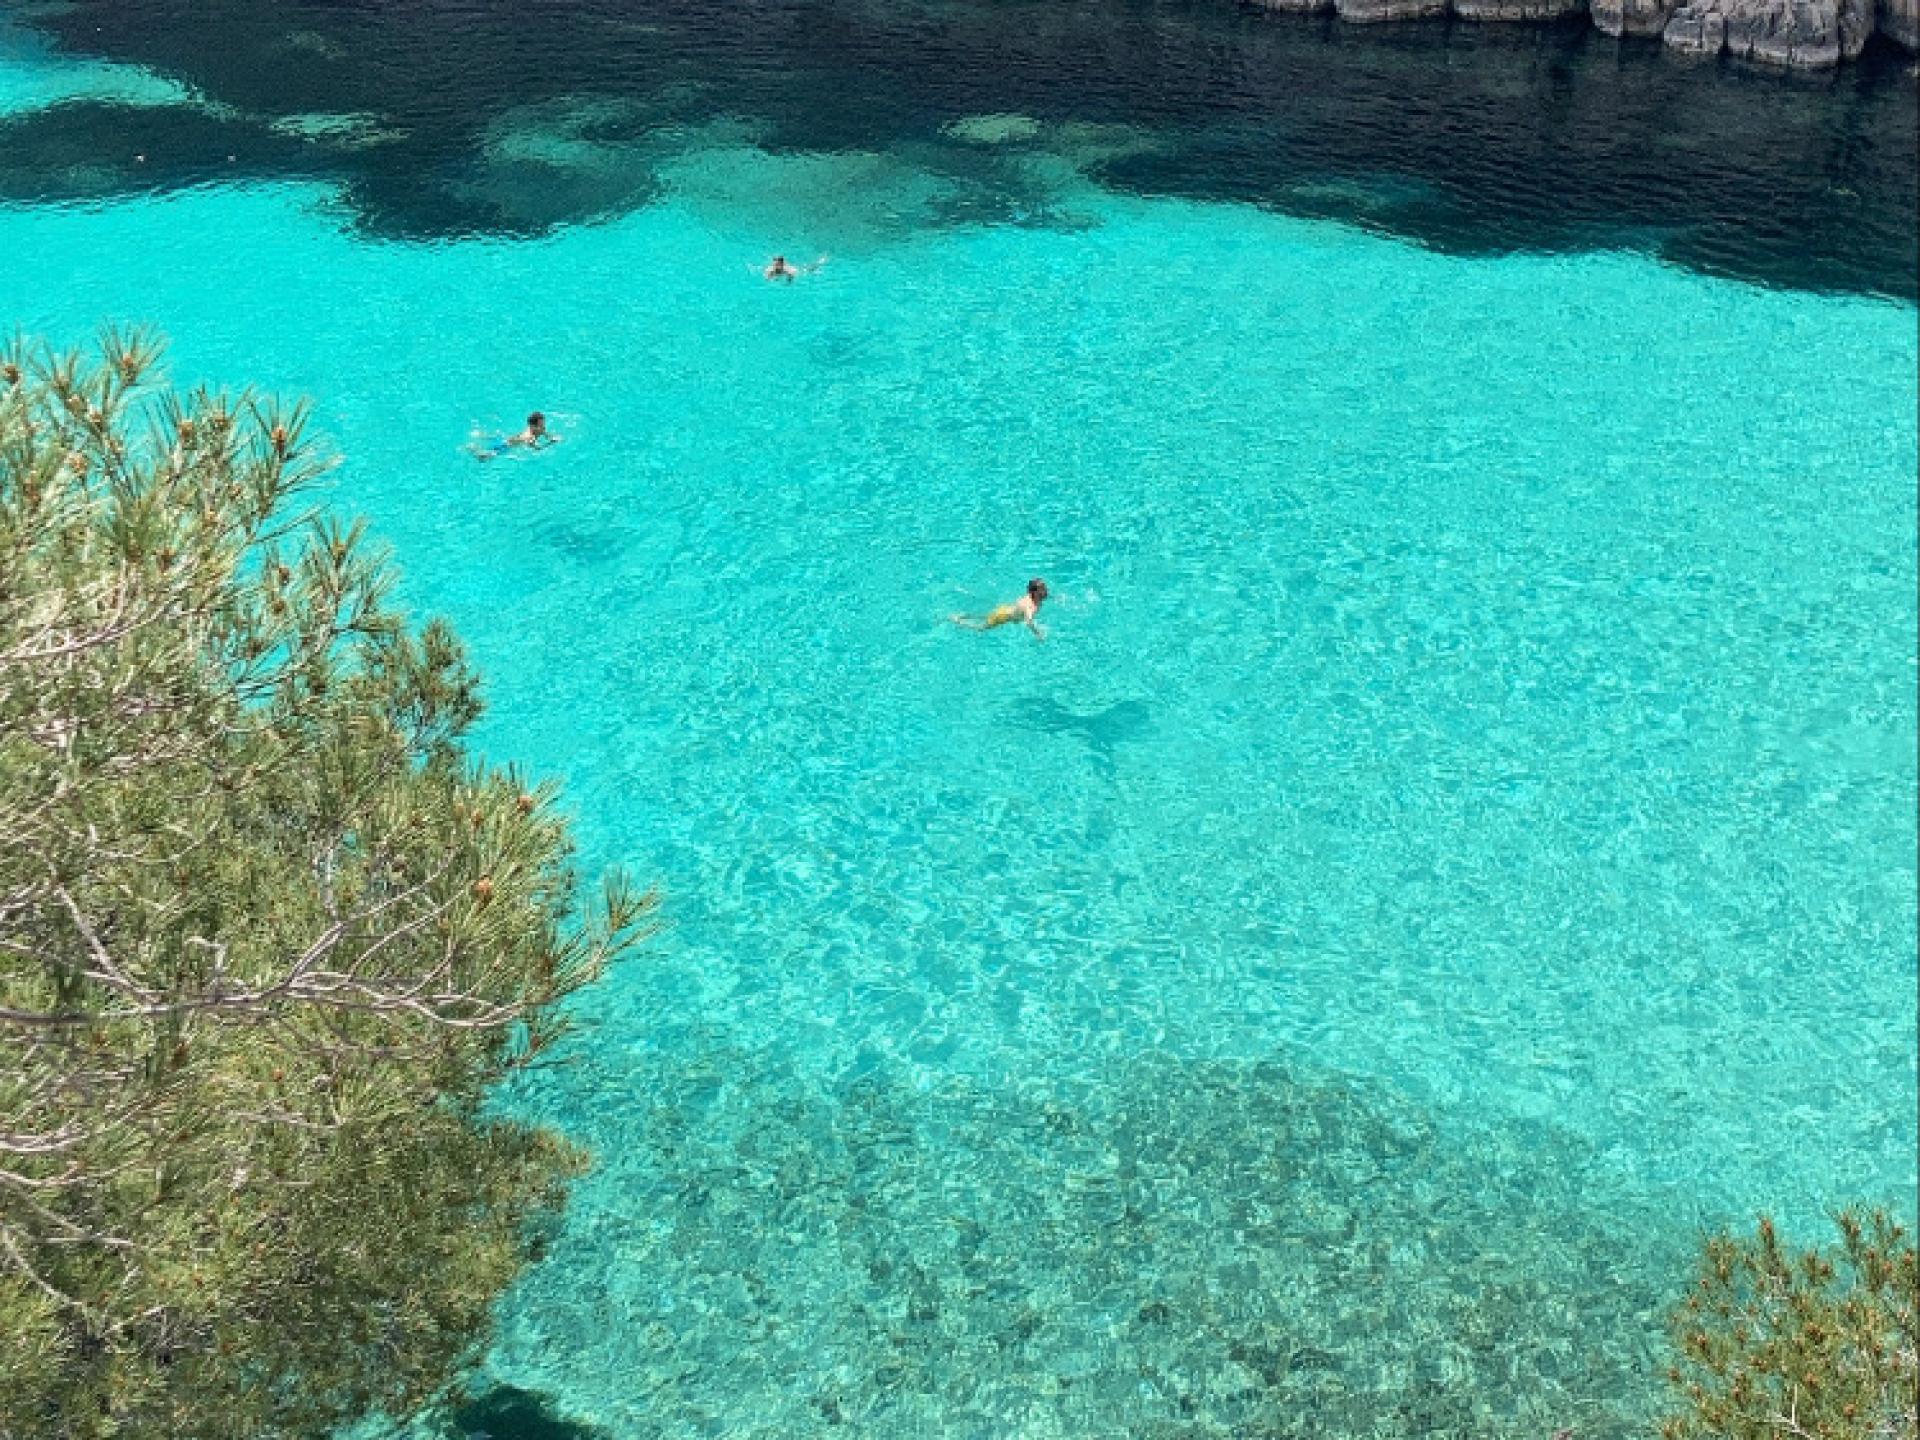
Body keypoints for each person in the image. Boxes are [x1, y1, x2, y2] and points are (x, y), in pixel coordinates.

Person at [952, 578, 1049, 639]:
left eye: (1044, 587)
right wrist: (1038, 633)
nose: (1045, 589)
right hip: (1002, 616)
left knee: (984, 616)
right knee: (981, 628)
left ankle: (964, 616)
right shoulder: (1030, 606)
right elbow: (1029, 621)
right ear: (1035, 592)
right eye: (1043, 588)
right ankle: (958, 621)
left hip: (1004, 609)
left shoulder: (1034, 596)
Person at [473, 411, 557, 461]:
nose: (543, 427)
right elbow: (538, 449)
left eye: (543, 424)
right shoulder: (529, 436)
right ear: (532, 426)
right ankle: (473, 449)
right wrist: (550, 443)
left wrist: (551, 438)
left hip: (507, 439)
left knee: (496, 439)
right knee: (484, 458)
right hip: (505, 446)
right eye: (540, 425)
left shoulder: (539, 429)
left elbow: (545, 434)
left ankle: (482, 435)